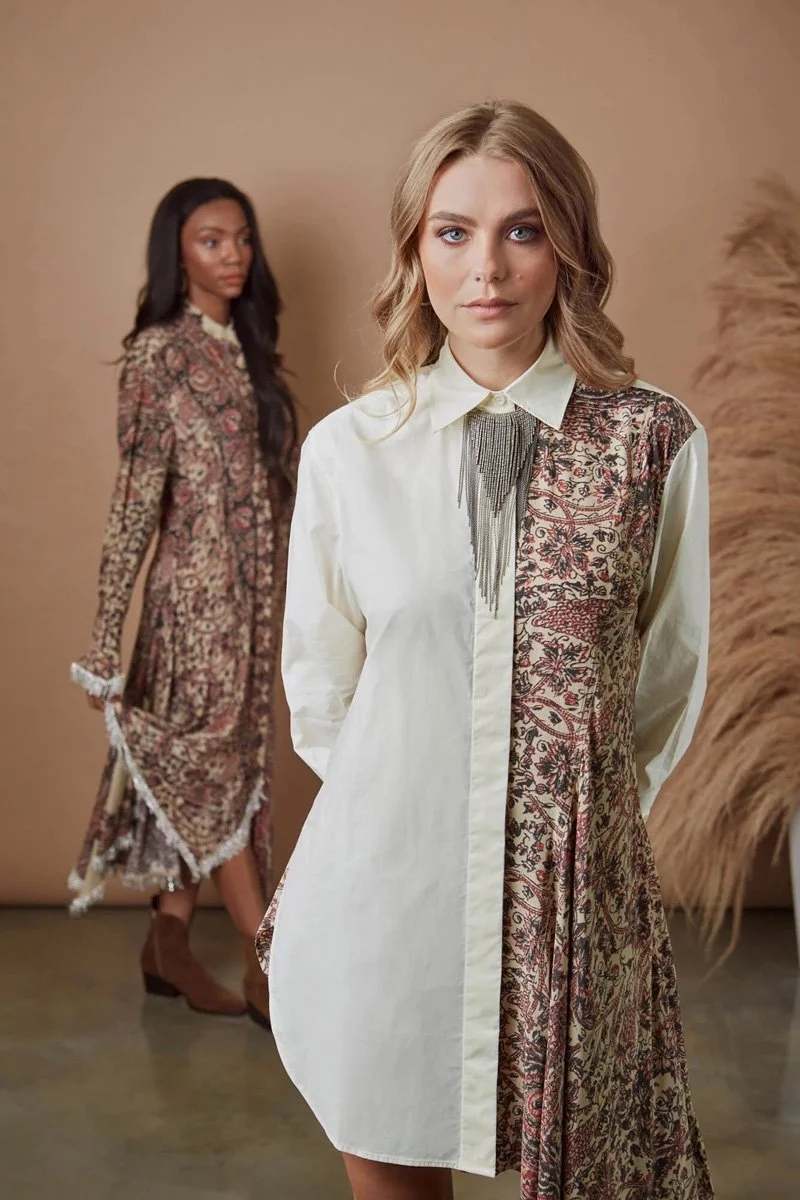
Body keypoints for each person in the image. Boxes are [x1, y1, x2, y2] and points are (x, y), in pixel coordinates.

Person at [257, 101, 714, 1199]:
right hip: (390, 889)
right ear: (415, 251)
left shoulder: (654, 441)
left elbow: (666, 678)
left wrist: (567, 819)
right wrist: (423, 803)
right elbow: (321, 690)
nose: (487, 269)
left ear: (569, 245)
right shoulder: (349, 452)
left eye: (521, 229)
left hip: (576, 899)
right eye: (451, 232)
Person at [70, 178, 296, 1030]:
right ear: (176, 251)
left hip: (253, 610)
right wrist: (104, 638)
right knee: (216, 778)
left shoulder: (247, 347)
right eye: (211, 240)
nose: (233, 255)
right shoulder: (158, 355)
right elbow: (136, 503)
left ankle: (167, 941)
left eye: (242, 238)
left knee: (227, 777)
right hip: (192, 606)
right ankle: (267, 958)